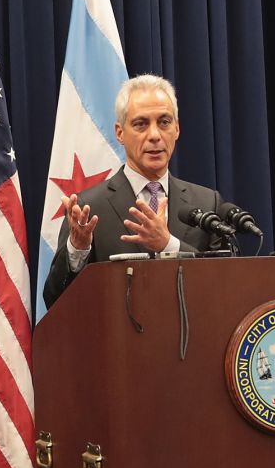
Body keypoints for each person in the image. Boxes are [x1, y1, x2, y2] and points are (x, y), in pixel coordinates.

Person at [42, 74, 227, 309]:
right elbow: (55, 300)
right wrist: (78, 250)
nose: (154, 135)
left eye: (164, 122)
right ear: (119, 133)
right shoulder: (89, 208)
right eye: (140, 124)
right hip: (119, 344)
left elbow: (223, 287)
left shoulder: (207, 202)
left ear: (177, 129)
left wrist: (168, 245)